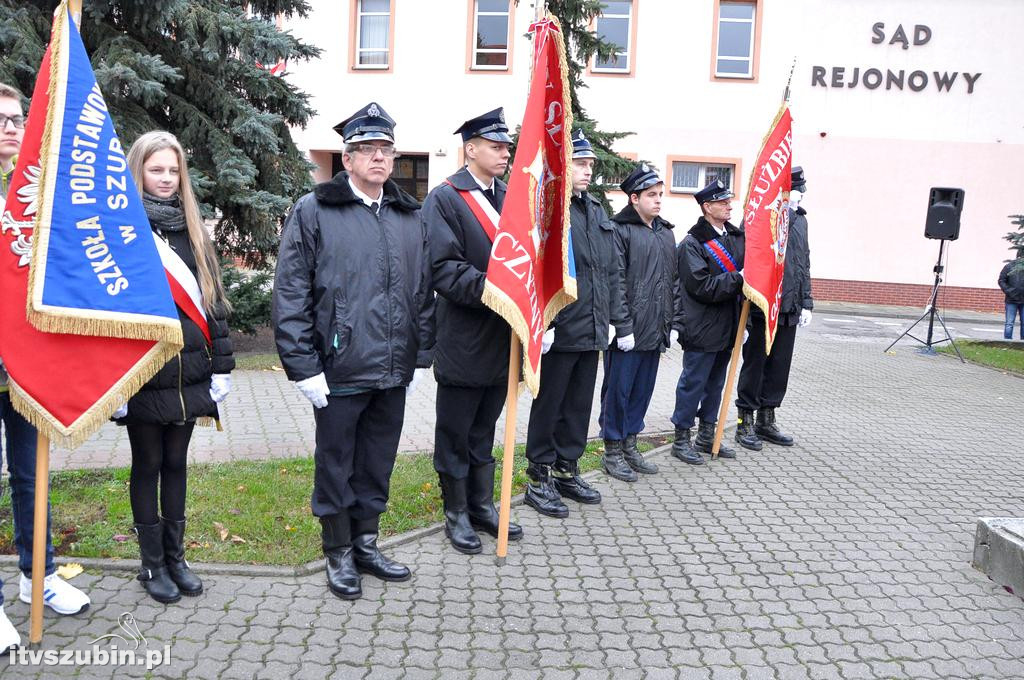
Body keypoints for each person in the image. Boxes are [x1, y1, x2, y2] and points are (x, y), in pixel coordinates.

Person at [273, 102, 435, 600]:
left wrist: (419, 351)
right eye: (367, 150)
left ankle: (366, 542)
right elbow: (292, 290)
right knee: (337, 462)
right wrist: (303, 367)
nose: (379, 158)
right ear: (347, 159)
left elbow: (422, 288)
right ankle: (337, 550)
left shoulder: (408, 215)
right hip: (338, 366)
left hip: (392, 367)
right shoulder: (315, 210)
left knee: (376, 460)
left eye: (386, 150)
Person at [120, 131, 235, 604]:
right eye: (156, 170)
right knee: (147, 464)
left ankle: (176, 558)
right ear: (138, 171)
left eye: (173, 170)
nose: (166, 179)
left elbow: (212, 304)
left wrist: (222, 368)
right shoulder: (121, 229)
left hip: (190, 373)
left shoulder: (193, 228)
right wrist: (115, 385)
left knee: (176, 463)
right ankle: (151, 566)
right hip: (144, 372)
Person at [0, 82, 89, 651]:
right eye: (2, 120)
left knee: (33, 474)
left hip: (24, 359)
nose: (12, 127)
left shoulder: (34, 191)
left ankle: (40, 577)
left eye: (16, 119)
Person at [424, 107, 523, 554]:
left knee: (485, 428)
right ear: (470, 149)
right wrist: (500, 289)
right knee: (456, 433)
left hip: (504, 341)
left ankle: (482, 505)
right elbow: (444, 270)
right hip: (465, 337)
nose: (505, 152)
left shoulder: (510, 198)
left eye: (506, 145)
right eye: (496, 146)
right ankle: (456, 511)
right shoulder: (444, 199)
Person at [523, 130, 627, 518]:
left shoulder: (596, 210)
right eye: (579, 163)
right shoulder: (550, 209)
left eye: (590, 165)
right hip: (561, 329)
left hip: (593, 328)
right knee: (549, 405)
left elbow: (610, 270)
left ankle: (567, 468)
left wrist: (615, 320)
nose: (587, 171)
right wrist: (543, 321)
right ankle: (539, 475)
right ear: (562, 167)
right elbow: (538, 269)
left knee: (579, 406)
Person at [599, 163, 676, 482]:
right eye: (651, 195)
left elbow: (672, 281)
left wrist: (671, 322)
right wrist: (622, 326)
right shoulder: (619, 231)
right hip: (627, 331)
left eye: (660, 194)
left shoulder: (666, 232)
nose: (658, 200)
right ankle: (613, 449)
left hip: (654, 328)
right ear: (633, 198)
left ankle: (631, 443)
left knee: (642, 390)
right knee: (618, 391)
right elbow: (614, 281)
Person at [734, 166, 813, 450]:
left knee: (779, 365)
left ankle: (767, 419)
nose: (800, 195)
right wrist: (784, 211)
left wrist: (806, 302)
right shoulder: (761, 214)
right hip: (764, 304)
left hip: (790, 304)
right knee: (756, 363)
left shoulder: (801, 221)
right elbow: (751, 254)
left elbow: (803, 263)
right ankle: (745, 420)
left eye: (800, 191)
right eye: (795, 190)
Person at [670, 179, 745, 465]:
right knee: (694, 383)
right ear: (707, 207)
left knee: (716, 385)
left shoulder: (734, 237)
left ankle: (706, 434)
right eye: (722, 202)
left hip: (728, 325)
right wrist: (738, 278)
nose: (729, 206)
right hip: (701, 326)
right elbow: (702, 286)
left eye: (729, 201)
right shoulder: (693, 243)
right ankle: (681, 437)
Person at [998, 248, 1024, 340]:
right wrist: (1009, 291)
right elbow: (1001, 280)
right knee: (1009, 323)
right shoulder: (1009, 266)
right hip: (1011, 300)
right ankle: (1007, 341)